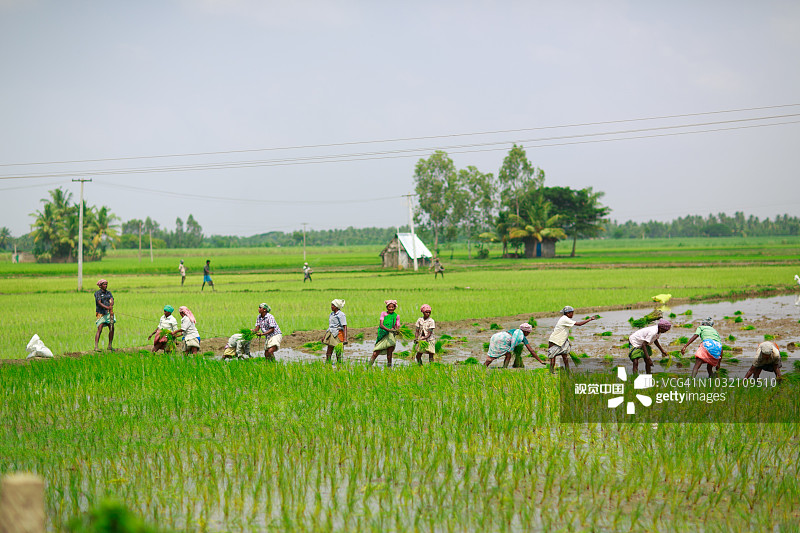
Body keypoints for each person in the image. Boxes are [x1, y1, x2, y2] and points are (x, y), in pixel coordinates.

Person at [547, 306, 599, 374]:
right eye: (572, 313)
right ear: (568, 313)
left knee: (565, 357)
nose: (573, 314)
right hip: (555, 341)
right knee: (553, 357)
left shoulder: (565, 318)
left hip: (562, 341)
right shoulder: (564, 319)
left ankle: (568, 372)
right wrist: (590, 319)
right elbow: (579, 324)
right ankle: (551, 372)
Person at [368, 300, 401, 367]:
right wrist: (389, 330)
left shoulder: (396, 316)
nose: (391, 308)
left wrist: (396, 331)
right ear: (387, 308)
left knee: (389, 355)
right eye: (389, 307)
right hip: (383, 335)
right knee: (375, 353)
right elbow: (381, 325)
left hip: (390, 337)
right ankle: (368, 366)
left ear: (395, 308)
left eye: (392, 307)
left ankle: (389, 369)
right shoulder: (383, 314)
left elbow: (397, 327)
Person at [322, 299, 347, 363]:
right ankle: (328, 364)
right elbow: (330, 326)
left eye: (333, 305)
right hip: (331, 333)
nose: (331, 306)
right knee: (329, 352)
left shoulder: (341, 315)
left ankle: (339, 364)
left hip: (338, 334)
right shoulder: (332, 314)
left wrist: (345, 338)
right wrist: (325, 336)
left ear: (336, 306)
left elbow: (345, 326)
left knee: (338, 352)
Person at [94, 279, 115, 351]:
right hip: (101, 313)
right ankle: (96, 347)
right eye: (104, 284)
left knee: (112, 328)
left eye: (106, 284)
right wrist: (107, 307)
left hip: (109, 313)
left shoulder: (108, 293)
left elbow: (112, 299)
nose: (105, 286)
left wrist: (111, 303)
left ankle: (110, 345)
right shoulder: (97, 293)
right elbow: (99, 302)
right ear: (100, 286)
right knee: (100, 328)